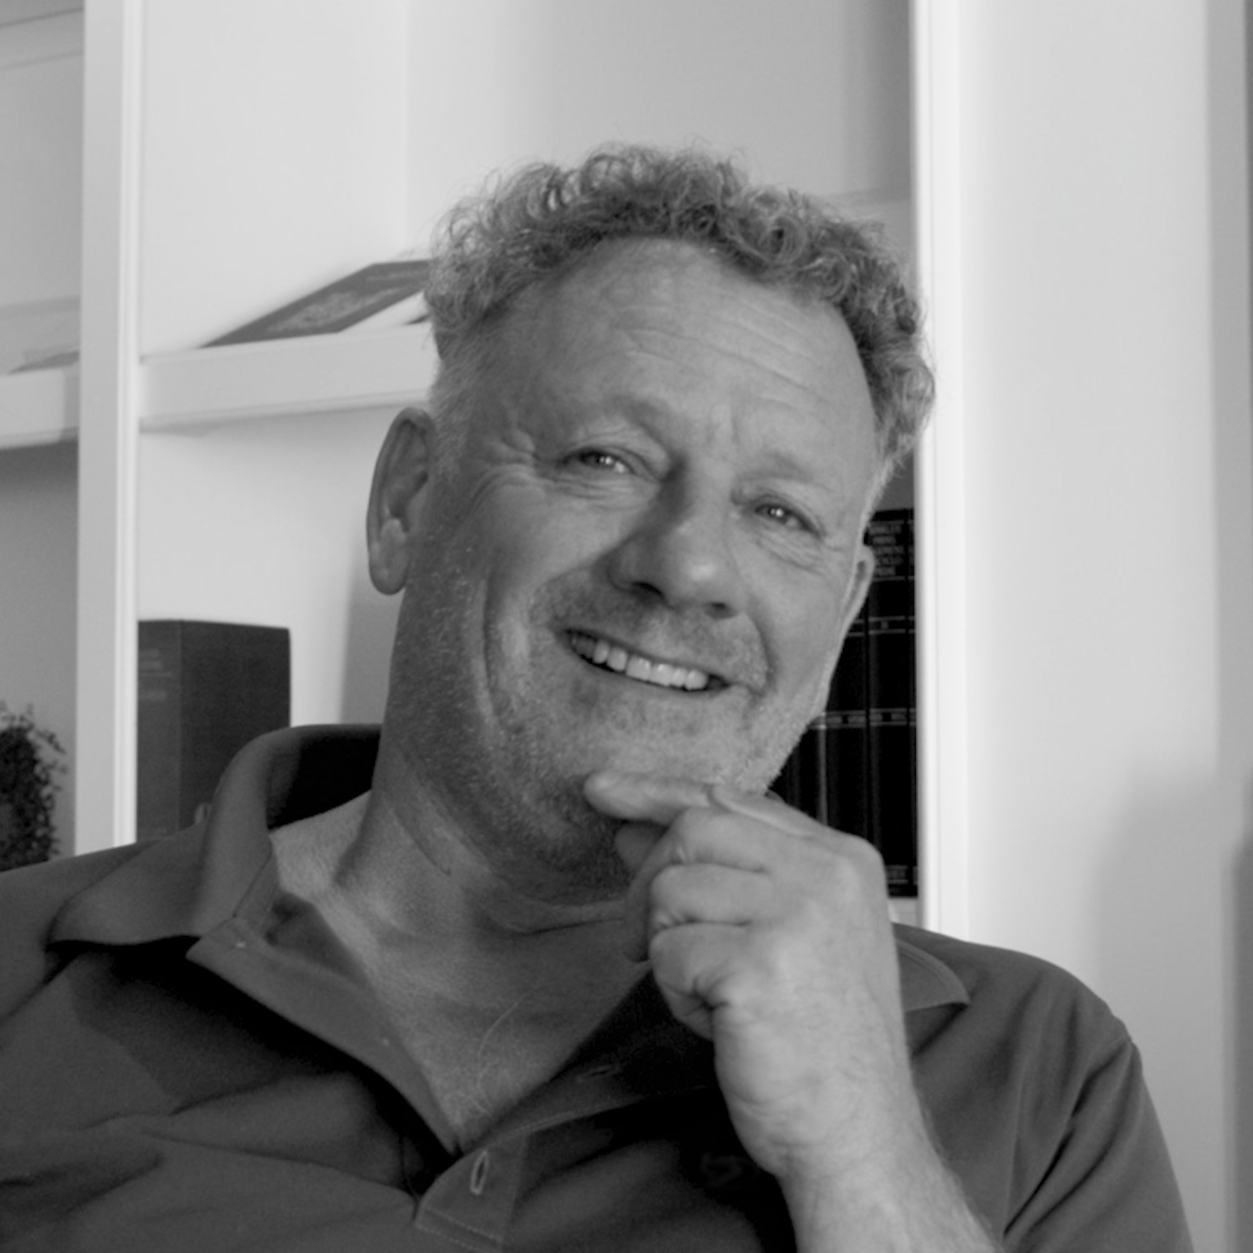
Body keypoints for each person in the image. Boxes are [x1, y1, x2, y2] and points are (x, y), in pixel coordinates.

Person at [0, 145, 1191, 1252]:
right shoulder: (20, 974)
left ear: (841, 610)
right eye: (604, 460)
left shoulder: (1038, 1067)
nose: (689, 564)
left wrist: (863, 1156)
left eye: (780, 512)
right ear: (407, 500)